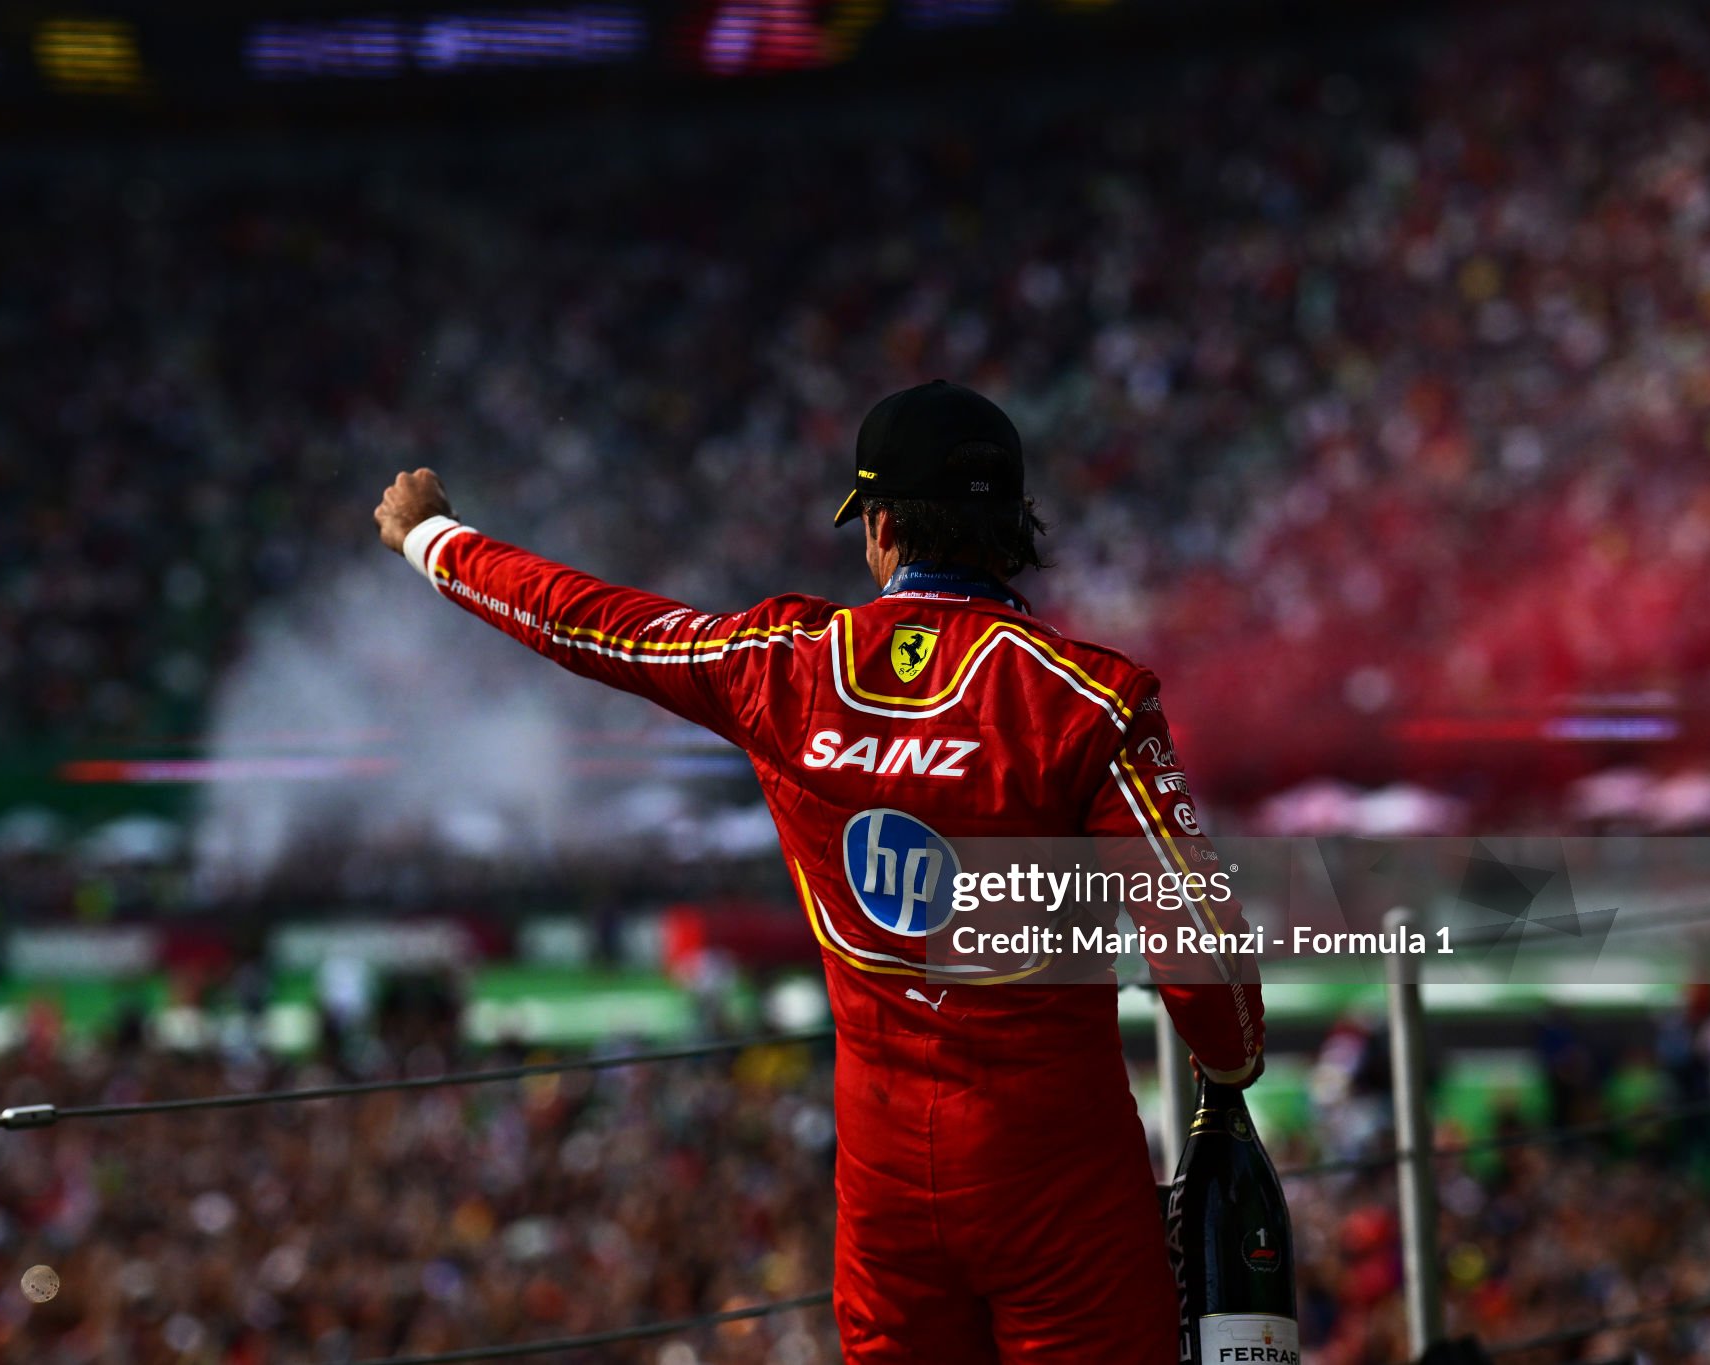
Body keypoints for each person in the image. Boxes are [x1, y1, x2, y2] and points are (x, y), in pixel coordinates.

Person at [374, 379, 1265, 1363]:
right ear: (1013, 531)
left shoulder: (784, 663)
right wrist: (1226, 1070)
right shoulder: (1089, 702)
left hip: (883, 1191)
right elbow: (1200, 949)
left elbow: (589, 624)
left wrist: (434, 541)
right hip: (1057, 1181)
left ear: (880, 528)